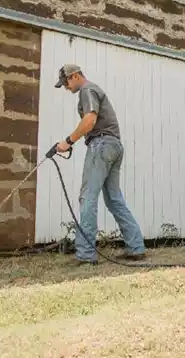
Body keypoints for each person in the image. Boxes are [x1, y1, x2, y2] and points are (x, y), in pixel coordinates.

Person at [54, 64, 146, 265]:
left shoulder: (87, 90)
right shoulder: (93, 89)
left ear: (75, 76)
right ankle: (136, 247)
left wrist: (68, 141)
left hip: (102, 145)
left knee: (87, 197)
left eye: (66, 82)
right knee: (114, 199)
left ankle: (86, 254)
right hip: (114, 145)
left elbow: (90, 120)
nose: (65, 87)